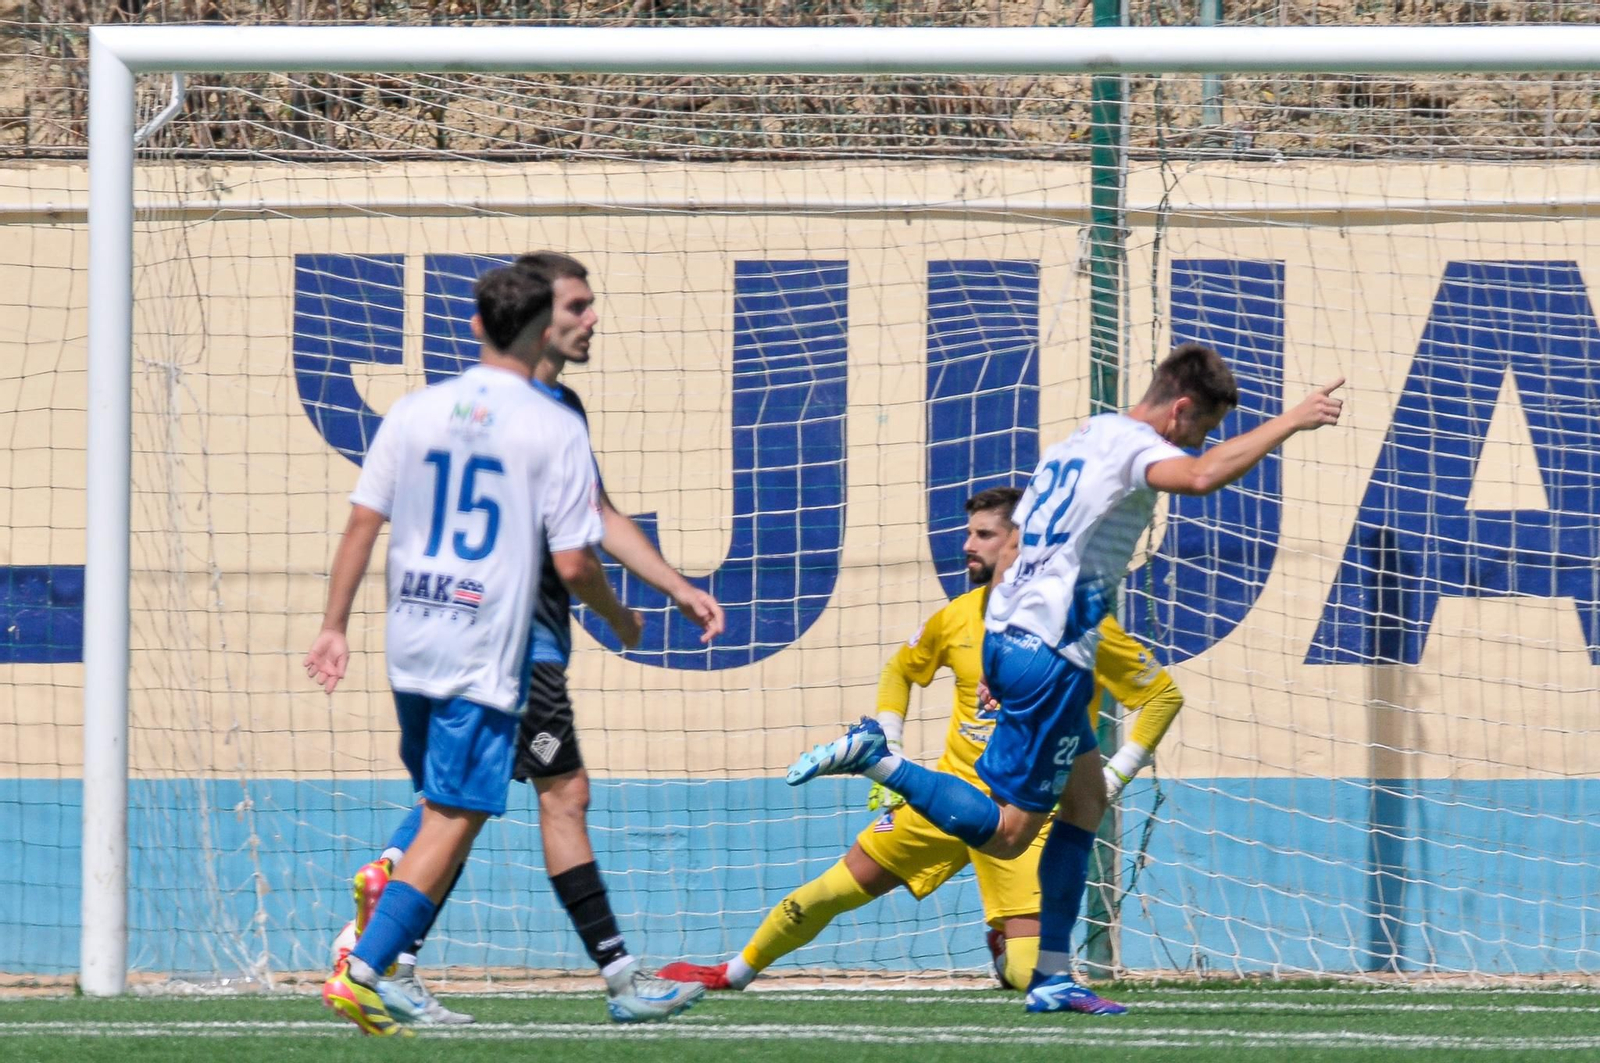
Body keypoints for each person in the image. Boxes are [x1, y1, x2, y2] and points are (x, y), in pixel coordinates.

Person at [788, 343, 1343, 1014]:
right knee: (1010, 831)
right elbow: (1198, 479)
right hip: (1051, 653)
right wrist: (1292, 420)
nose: (1200, 443)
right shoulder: (1137, 445)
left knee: (1084, 803)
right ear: (1181, 408)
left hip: (1019, 640)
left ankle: (1052, 973)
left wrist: (1000, 646)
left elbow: (1020, 545)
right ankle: (881, 760)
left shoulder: (1085, 436)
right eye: (1201, 430)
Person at [339, 251, 724, 1025]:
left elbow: (603, 513)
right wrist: (618, 615)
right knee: (541, 799)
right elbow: (576, 553)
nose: (591, 319)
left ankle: (395, 921)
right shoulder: (532, 416)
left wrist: (675, 582)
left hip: (446, 637)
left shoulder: (556, 410)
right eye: (578, 304)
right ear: (538, 317)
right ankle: (389, 948)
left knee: (469, 803)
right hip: (517, 641)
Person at [657, 487, 1184, 993]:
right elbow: (898, 670)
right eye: (968, 533)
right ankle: (736, 971)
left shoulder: (1080, 626)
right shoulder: (955, 618)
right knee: (833, 889)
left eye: (982, 534)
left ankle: (1008, 950)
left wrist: (1111, 778)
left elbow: (1161, 696)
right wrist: (892, 740)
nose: (967, 546)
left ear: (1020, 543)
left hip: (1026, 816)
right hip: (948, 798)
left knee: (1032, 976)